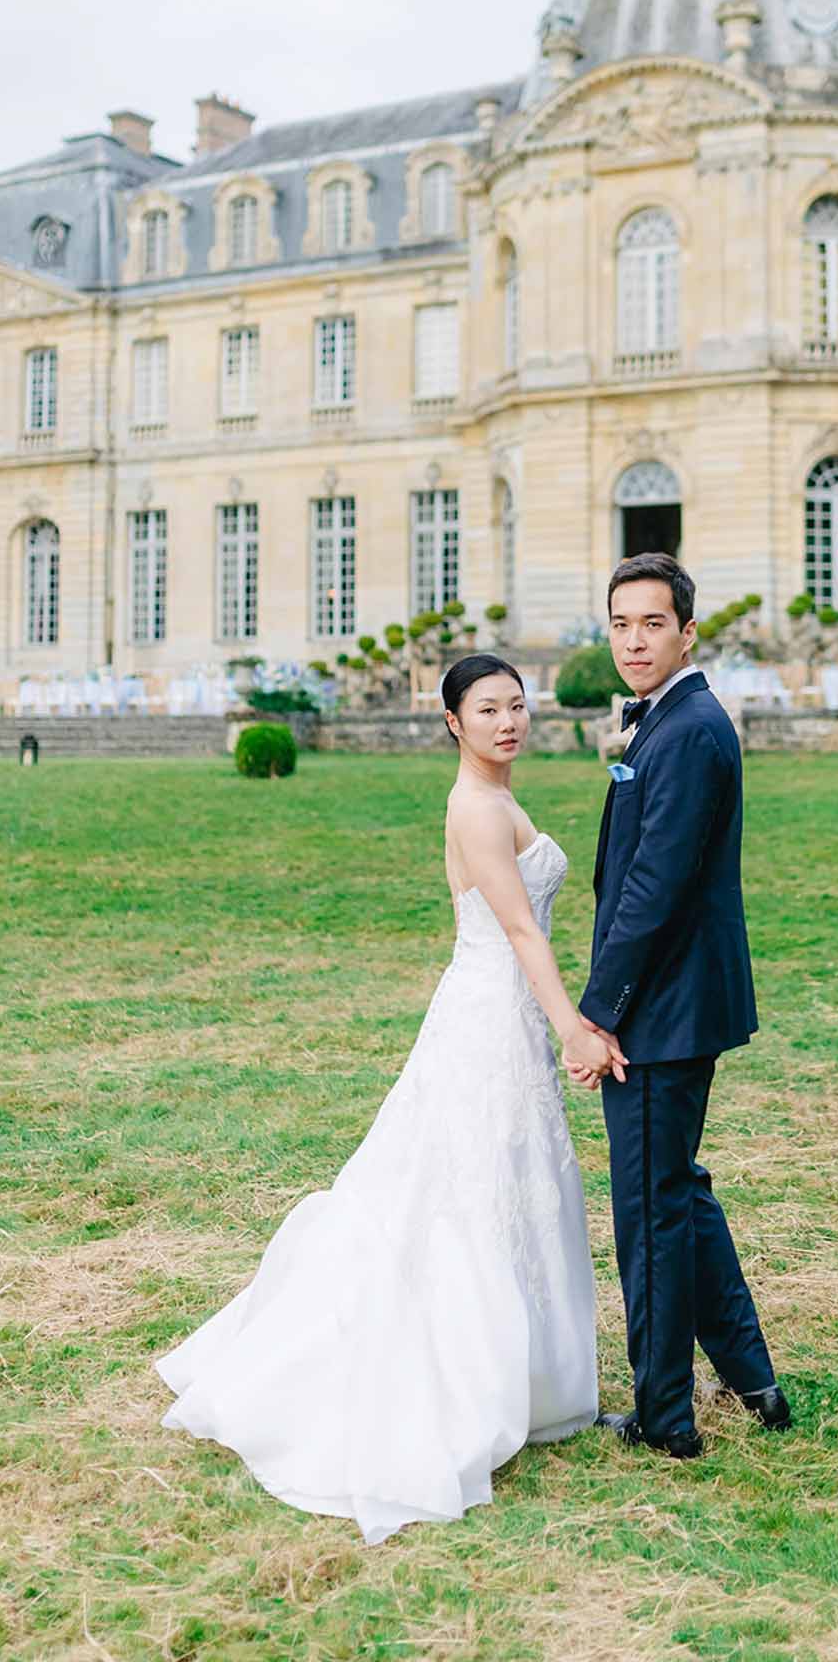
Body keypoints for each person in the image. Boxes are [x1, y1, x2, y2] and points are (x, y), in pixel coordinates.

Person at [155, 652, 612, 1545]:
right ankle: (461, 1373)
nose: (508, 721)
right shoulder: (475, 807)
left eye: (517, 706)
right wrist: (572, 1027)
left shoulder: (503, 795)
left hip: (501, 1007)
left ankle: (539, 1377)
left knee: (510, 1178)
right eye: (487, 709)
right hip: (491, 1009)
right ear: (452, 722)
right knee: (465, 1186)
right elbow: (519, 925)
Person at [569, 551, 790, 1456]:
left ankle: (666, 1419)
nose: (632, 639)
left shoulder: (692, 730)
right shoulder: (664, 721)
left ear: (687, 632)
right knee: (681, 1196)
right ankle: (754, 1380)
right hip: (669, 999)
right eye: (620, 623)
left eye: (651, 623)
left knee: (650, 1214)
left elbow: (653, 889)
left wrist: (599, 1013)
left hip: (660, 1008)